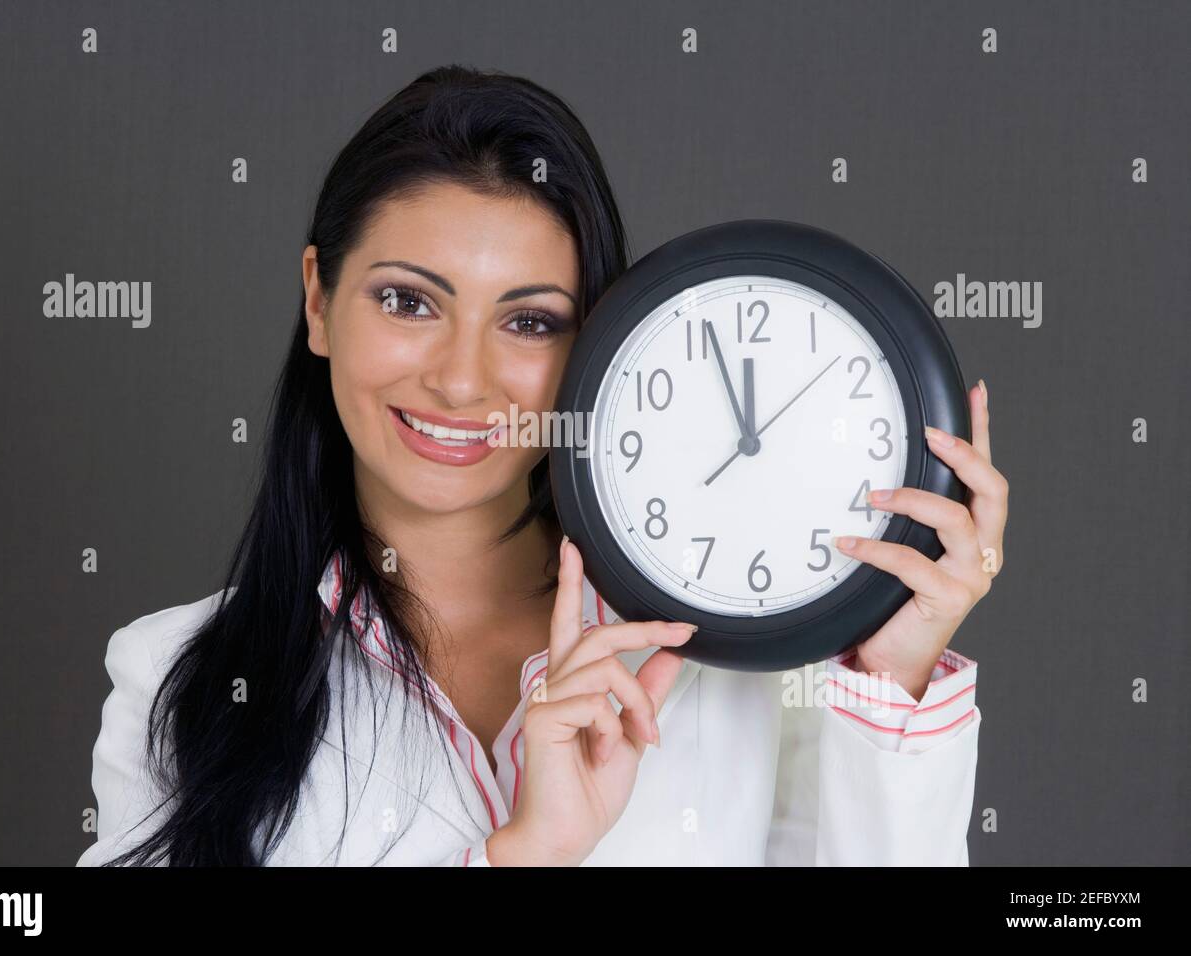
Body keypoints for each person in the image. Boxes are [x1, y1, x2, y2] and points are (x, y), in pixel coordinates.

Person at [76, 64, 1008, 867]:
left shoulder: (751, 666)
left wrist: (893, 670)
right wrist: (523, 855)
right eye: (407, 301)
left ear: (600, 344)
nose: (459, 378)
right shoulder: (177, 681)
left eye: (530, 322)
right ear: (319, 301)